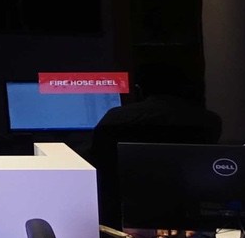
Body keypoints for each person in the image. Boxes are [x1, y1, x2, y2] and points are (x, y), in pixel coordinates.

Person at [88, 90, 222, 225]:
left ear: (138, 90)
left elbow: (93, 159)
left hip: (117, 217)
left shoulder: (114, 118)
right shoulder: (209, 121)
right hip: (191, 218)